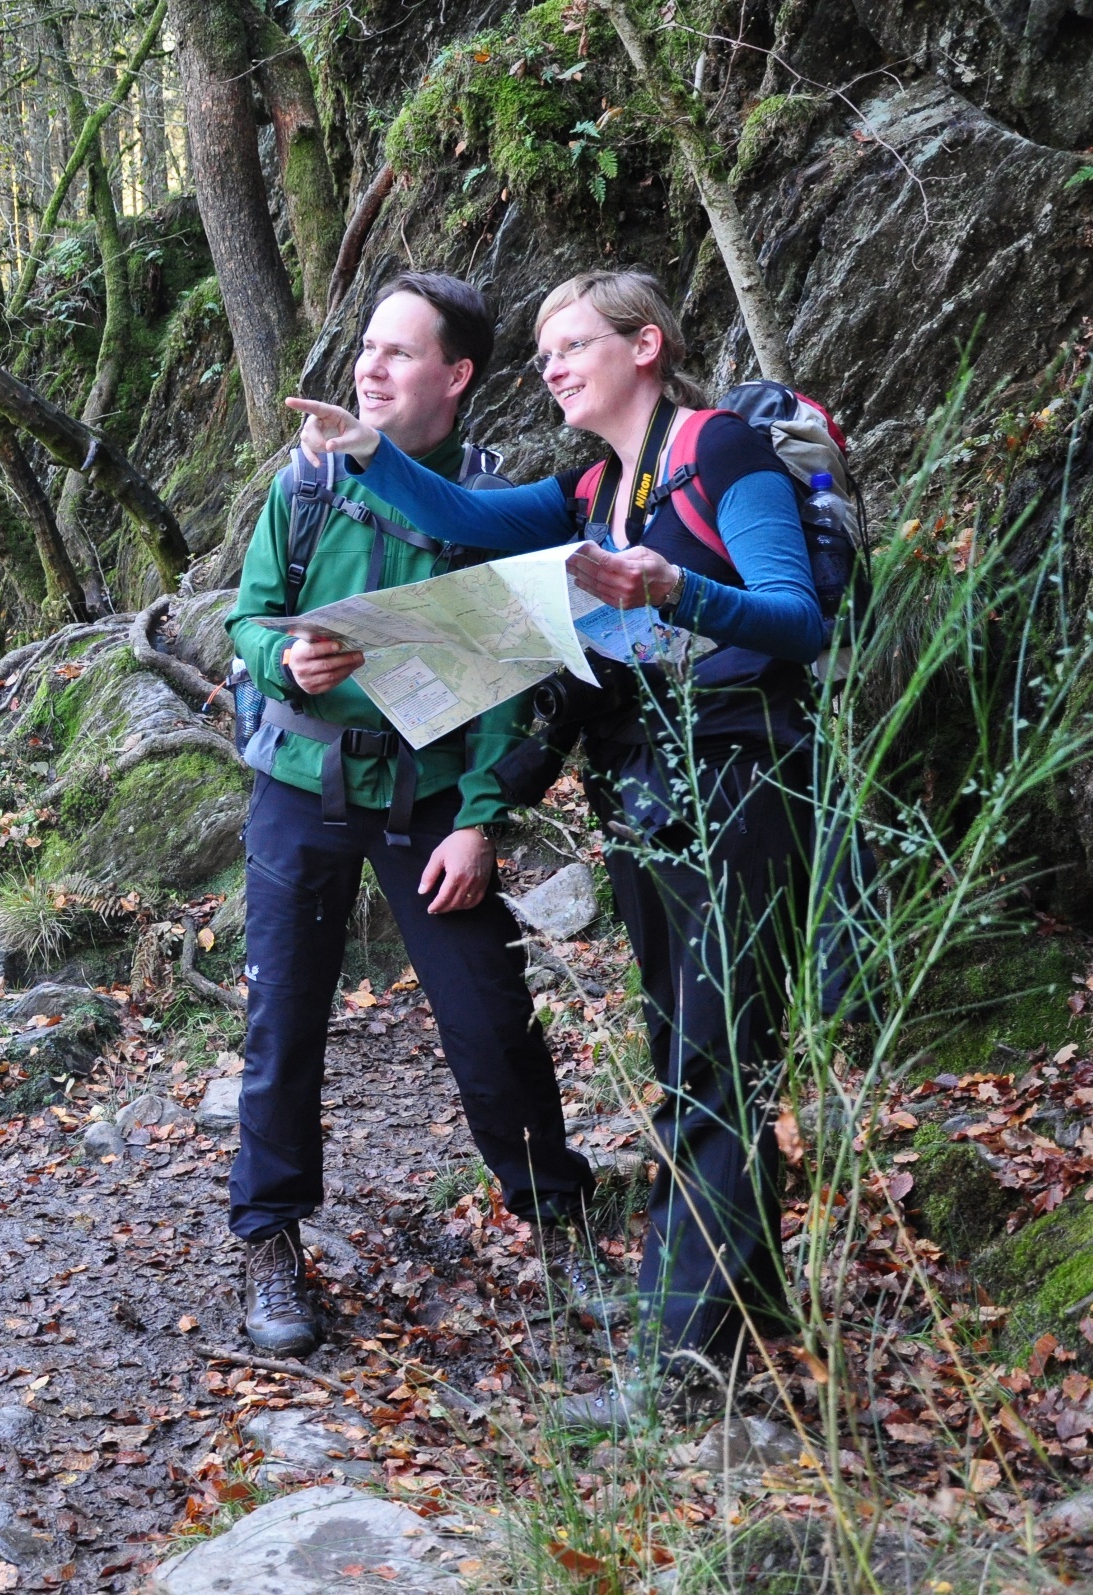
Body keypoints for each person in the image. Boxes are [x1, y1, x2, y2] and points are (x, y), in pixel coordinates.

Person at [286, 268, 822, 1425]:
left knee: (711, 1064)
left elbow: (797, 617)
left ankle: (676, 1369)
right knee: (696, 1051)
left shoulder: (719, 452)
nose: (552, 365)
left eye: (573, 343)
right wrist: (366, 451)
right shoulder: (589, 487)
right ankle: (748, 1320)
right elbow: (466, 520)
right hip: (649, 792)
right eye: (542, 351)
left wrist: (673, 586)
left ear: (646, 345)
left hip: (742, 781)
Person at [225, 272, 606, 1361]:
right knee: (282, 1021)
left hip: (431, 799)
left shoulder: (491, 509)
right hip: (300, 786)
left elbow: (515, 681)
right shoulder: (304, 487)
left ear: (457, 374)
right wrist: (285, 661)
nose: (370, 367)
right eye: (366, 348)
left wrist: (480, 821)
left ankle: (561, 1227)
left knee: (491, 1019)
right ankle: (269, 1241)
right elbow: (247, 619)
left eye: (398, 352)